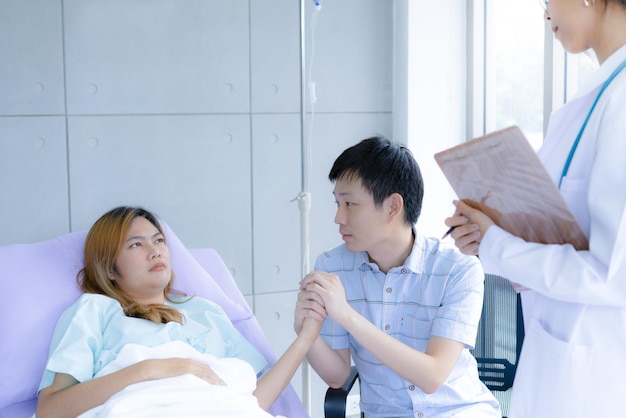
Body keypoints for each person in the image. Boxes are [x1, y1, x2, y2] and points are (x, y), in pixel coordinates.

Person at [444, 1, 626, 416]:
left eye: (547, 1)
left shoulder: (621, 101)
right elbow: (567, 235)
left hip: (599, 377)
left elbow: (611, 275)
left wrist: (498, 246)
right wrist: (497, 237)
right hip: (560, 360)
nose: (546, 16)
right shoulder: (600, 95)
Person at [35, 206, 320, 418]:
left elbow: (250, 399)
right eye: (136, 244)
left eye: (159, 241)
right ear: (109, 268)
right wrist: (150, 369)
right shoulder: (96, 311)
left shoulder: (206, 311)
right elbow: (51, 409)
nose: (155, 251)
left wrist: (305, 339)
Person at [295, 137, 501, 417]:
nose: (338, 218)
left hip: (457, 410)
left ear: (393, 206)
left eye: (350, 204)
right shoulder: (333, 267)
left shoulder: (458, 269)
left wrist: (347, 316)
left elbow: (432, 377)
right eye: (337, 204)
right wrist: (305, 334)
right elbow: (337, 376)